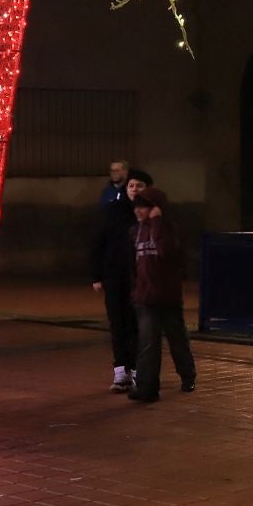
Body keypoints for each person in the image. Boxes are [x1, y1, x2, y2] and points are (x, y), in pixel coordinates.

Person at [127, 185, 196, 403]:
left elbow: (167, 251)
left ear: (156, 208)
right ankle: (147, 388)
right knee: (148, 343)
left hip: (168, 296)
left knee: (177, 340)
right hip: (145, 298)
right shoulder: (135, 231)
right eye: (136, 207)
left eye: (143, 207)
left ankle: (187, 375)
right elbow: (133, 264)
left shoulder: (169, 228)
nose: (138, 211)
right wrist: (136, 290)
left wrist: (156, 222)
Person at [91, 167, 152, 392]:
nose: (134, 189)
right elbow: (98, 241)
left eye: (139, 186)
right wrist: (97, 275)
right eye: (131, 185)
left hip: (140, 277)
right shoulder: (112, 210)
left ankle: (137, 369)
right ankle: (120, 371)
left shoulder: (151, 213)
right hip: (115, 275)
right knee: (117, 322)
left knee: (137, 323)